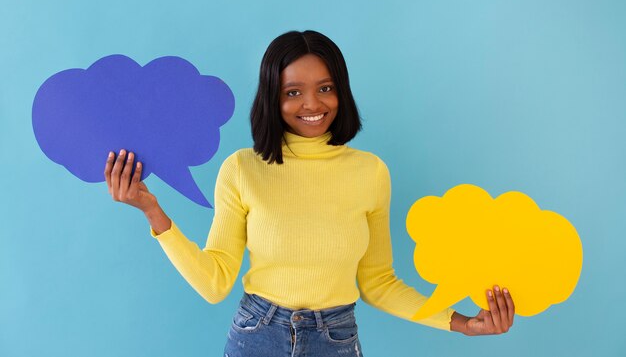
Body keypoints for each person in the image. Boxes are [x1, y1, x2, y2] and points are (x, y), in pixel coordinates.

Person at [104, 30, 515, 357]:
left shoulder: (370, 173)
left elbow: (379, 284)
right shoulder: (242, 169)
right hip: (256, 337)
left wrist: (463, 323)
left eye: (326, 88)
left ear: (342, 92)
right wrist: (152, 211)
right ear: (272, 96)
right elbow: (214, 283)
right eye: (293, 92)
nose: (312, 104)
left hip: (334, 340)